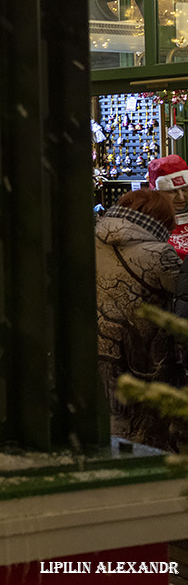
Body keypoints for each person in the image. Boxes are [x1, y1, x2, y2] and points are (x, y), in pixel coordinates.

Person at [94, 188, 185, 451]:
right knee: (142, 429)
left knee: (107, 419)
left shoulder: (91, 238)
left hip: (91, 347)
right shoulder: (159, 253)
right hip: (139, 355)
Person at [148, 155, 188, 257]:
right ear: (157, 193)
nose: (181, 197)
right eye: (172, 191)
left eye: (185, 189)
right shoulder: (147, 226)